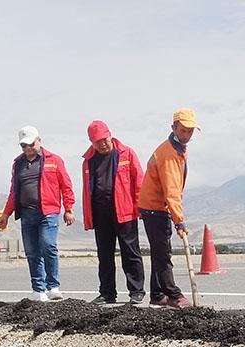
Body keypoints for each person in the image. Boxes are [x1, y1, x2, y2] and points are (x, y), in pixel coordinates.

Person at [0, 125, 76, 302]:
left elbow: (66, 185)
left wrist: (69, 209)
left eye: (31, 144)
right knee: (32, 252)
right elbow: (13, 192)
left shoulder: (54, 160)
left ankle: (53, 287)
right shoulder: (18, 164)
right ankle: (38, 290)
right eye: (24, 146)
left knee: (48, 245)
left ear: (39, 140)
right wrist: (5, 214)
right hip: (27, 214)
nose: (28, 149)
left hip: (48, 212)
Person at [138, 108, 200, 310]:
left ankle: (157, 294)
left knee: (158, 251)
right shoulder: (170, 154)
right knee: (163, 253)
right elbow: (172, 190)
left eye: (190, 131)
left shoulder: (178, 149)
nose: (187, 135)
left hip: (156, 206)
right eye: (183, 130)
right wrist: (179, 221)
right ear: (174, 128)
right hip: (155, 207)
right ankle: (173, 294)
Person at [82, 120, 146, 305]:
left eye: (104, 139)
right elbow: (87, 190)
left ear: (110, 135)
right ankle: (107, 293)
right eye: (96, 141)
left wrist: (139, 207)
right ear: (91, 142)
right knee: (104, 255)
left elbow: (139, 181)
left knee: (130, 251)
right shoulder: (88, 161)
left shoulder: (127, 153)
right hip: (100, 214)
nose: (102, 144)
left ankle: (136, 291)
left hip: (124, 211)